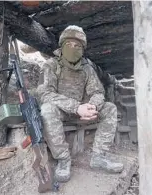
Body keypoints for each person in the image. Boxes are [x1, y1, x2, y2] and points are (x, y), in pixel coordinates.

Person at [36, 25, 124, 182]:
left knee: (110, 108)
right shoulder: (51, 65)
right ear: (61, 46)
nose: (73, 48)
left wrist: (92, 107)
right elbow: (44, 94)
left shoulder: (87, 68)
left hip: (84, 112)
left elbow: (97, 92)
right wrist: (77, 108)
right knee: (47, 110)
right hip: (62, 112)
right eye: (69, 44)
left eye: (77, 46)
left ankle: (99, 156)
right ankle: (63, 159)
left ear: (83, 49)